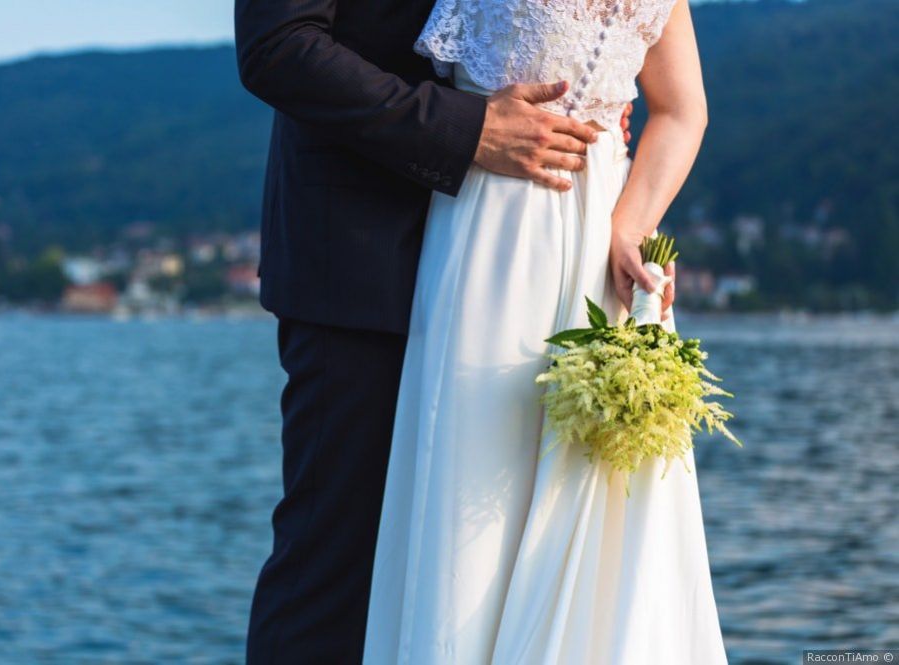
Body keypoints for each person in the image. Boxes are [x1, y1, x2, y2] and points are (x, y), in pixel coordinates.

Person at [234, 0, 636, 663]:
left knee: (504, 568)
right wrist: (465, 128)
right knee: (337, 573)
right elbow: (277, 46)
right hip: (366, 265)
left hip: (529, 277)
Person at [362, 0, 726, 663]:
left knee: (598, 482)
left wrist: (631, 227)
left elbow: (681, 110)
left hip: (603, 244)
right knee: (477, 473)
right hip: (495, 228)